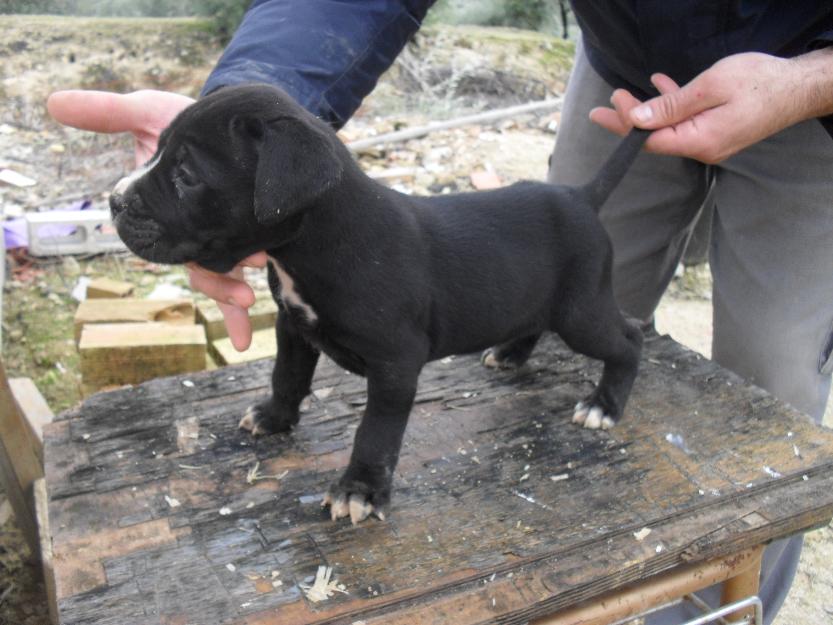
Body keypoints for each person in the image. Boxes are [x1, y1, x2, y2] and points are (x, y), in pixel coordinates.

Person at [48, 2, 833, 623]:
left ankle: (705, 594)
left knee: (751, 367)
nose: (136, 196)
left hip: (814, 87)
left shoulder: (370, 274)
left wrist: (808, 81)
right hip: (628, 71)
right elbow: (297, 317)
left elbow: (395, 362)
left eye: (175, 176)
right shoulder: (307, 246)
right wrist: (248, 82)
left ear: (282, 189)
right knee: (536, 272)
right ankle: (525, 340)